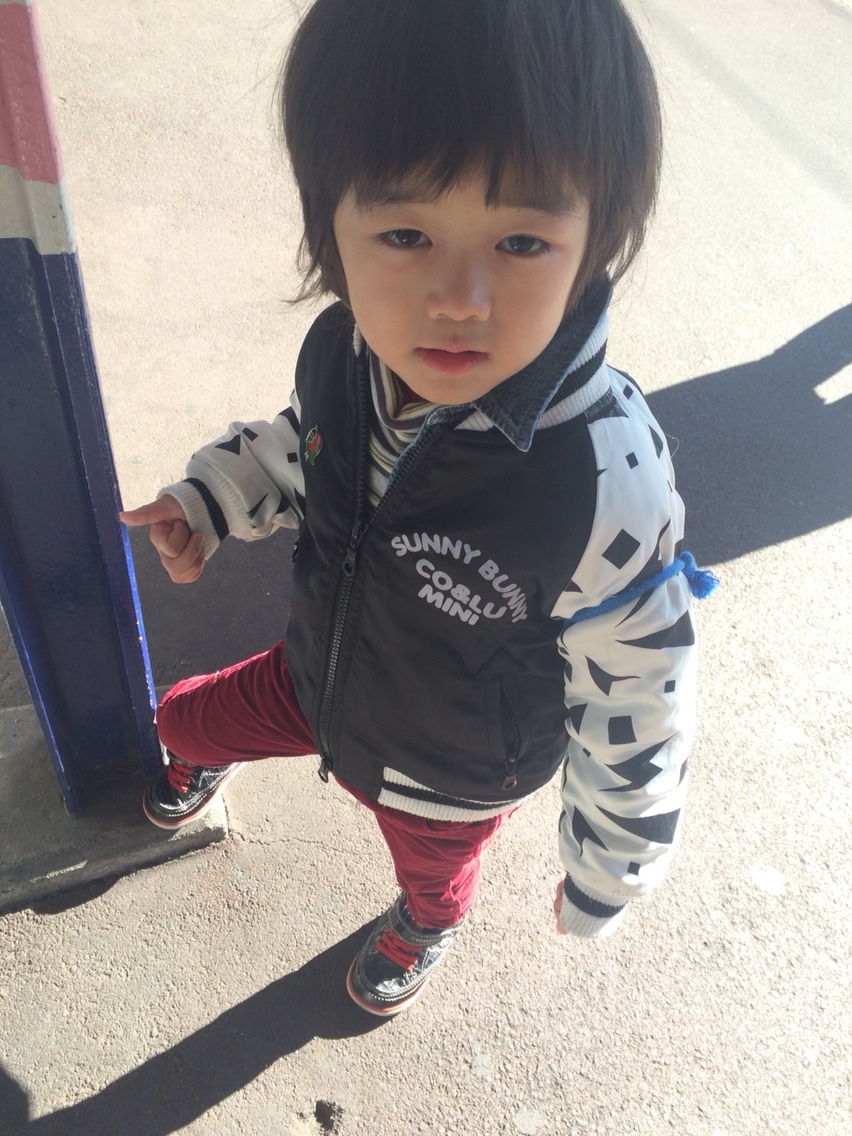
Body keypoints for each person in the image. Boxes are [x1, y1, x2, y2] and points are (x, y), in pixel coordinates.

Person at [121, 0, 715, 1017]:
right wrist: (214, 497)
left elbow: (640, 692)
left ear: (596, 242)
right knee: (182, 715)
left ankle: (429, 921)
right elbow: (306, 443)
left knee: (431, 872)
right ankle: (200, 755)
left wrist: (608, 866)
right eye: (405, 232)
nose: (459, 297)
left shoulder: (601, 477)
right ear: (330, 226)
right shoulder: (347, 352)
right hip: (317, 673)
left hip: (451, 771)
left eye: (521, 239)